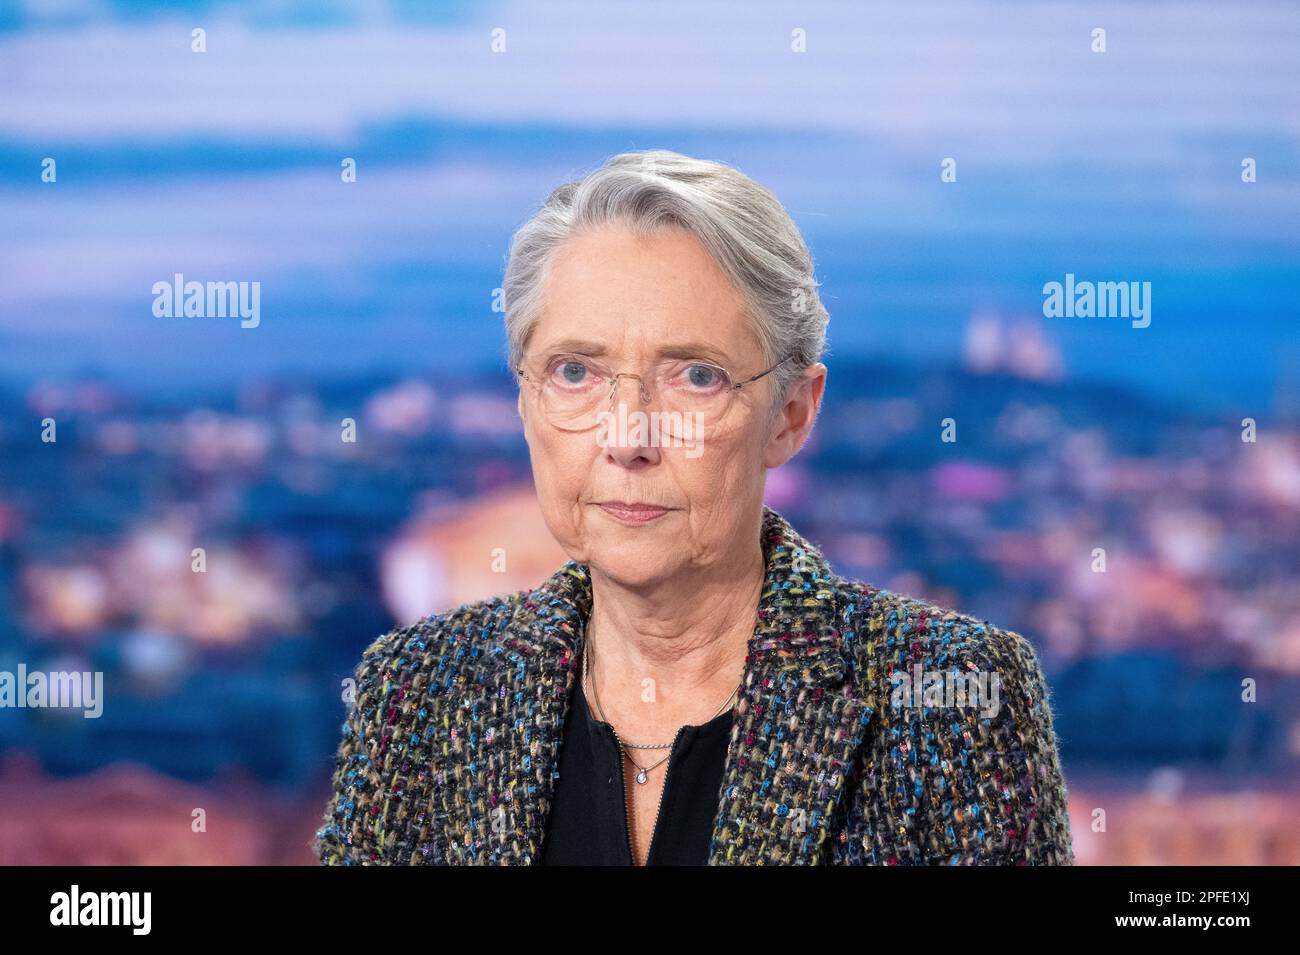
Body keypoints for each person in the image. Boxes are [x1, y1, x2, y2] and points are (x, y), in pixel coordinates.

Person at [313, 149, 1075, 865]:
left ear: (791, 414)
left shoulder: (959, 699)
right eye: (575, 371)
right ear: (524, 401)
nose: (629, 436)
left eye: (695, 377)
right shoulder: (418, 690)